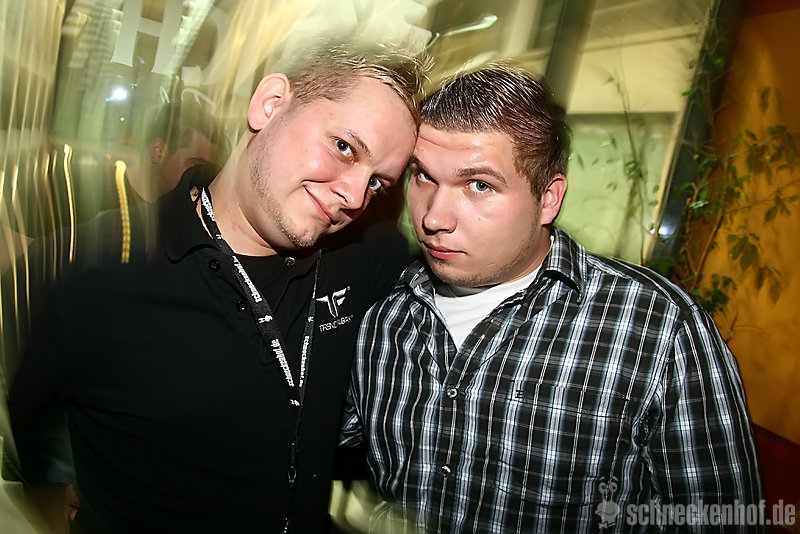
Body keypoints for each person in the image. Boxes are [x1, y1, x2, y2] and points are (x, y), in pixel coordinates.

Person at [4, 37, 429, 533]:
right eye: (344, 147)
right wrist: (66, 492)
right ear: (270, 104)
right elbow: (27, 434)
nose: (354, 196)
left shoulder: (366, 253)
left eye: (378, 181)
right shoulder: (90, 266)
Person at [340, 64, 764, 533]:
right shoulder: (385, 312)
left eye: (479, 185)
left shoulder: (657, 329)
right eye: (423, 176)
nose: (435, 217)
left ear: (549, 198)